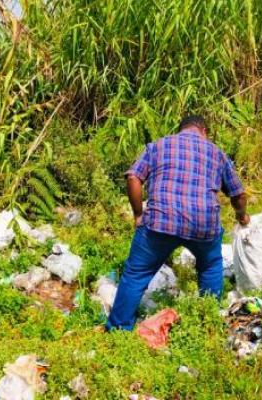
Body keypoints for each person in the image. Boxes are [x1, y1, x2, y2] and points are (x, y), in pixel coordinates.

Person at [107, 115, 249, 331]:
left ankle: (118, 329)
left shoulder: (158, 146)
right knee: (211, 267)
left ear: (180, 129)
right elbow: (238, 195)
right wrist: (241, 216)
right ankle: (207, 325)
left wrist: (138, 214)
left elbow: (133, 178)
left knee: (136, 274)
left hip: (160, 222)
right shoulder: (217, 153)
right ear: (204, 131)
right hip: (204, 224)